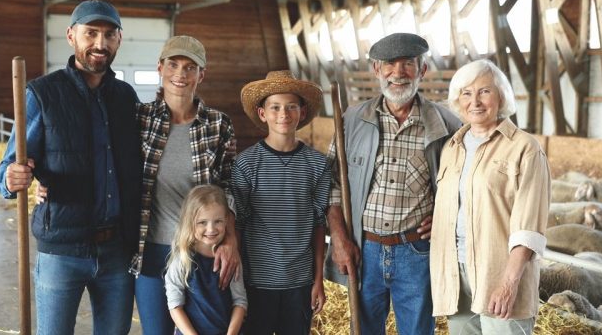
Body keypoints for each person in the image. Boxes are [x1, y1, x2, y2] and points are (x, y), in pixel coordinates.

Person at [0, 0, 142, 334]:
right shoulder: (42, 94)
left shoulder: (126, 98)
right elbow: (5, 170)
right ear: (71, 35)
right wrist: (13, 178)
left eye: (109, 35)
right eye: (91, 33)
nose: (100, 44)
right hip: (61, 250)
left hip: (117, 251)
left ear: (119, 39)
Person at [324, 33, 462, 334]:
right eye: (389, 64)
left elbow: (464, 189)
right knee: (365, 329)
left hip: (417, 252)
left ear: (422, 70)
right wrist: (339, 238)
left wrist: (443, 217)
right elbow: (330, 186)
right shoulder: (351, 121)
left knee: (416, 330)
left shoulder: (448, 126)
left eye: (407, 64)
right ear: (376, 70)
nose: (397, 73)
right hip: (364, 249)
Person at [430, 59, 551, 335]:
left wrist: (508, 283)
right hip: (455, 273)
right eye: (466, 93)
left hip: (498, 272)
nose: (476, 101)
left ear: (501, 97)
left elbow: (529, 226)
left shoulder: (525, 148)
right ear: (458, 100)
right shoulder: (452, 146)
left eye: (485, 91)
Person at [130, 35, 240, 335]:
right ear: (160, 68)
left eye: (190, 67)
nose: (181, 74)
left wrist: (230, 238)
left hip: (200, 253)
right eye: (174, 65)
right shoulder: (139, 119)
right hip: (152, 248)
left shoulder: (218, 124)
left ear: (201, 74)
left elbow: (230, 186)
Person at [232, 70, 330, 334]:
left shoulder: (317, 164)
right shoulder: (246, 164)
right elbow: (238, 225)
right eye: (274, 107)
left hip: (300, 282)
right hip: (256, 282)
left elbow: (319, 224)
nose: (283, 115)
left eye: (291, 107)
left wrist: (318, 279)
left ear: (302, 111)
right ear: (262, 113)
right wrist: (237, 283)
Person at [164, 184, 247, 335]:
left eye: (218, 221)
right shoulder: (182, 260)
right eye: (202, 222)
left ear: (227, 220)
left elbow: (240, 302)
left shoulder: (231, 260)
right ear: (190, 222)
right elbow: (175, 306)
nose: (211, 229)